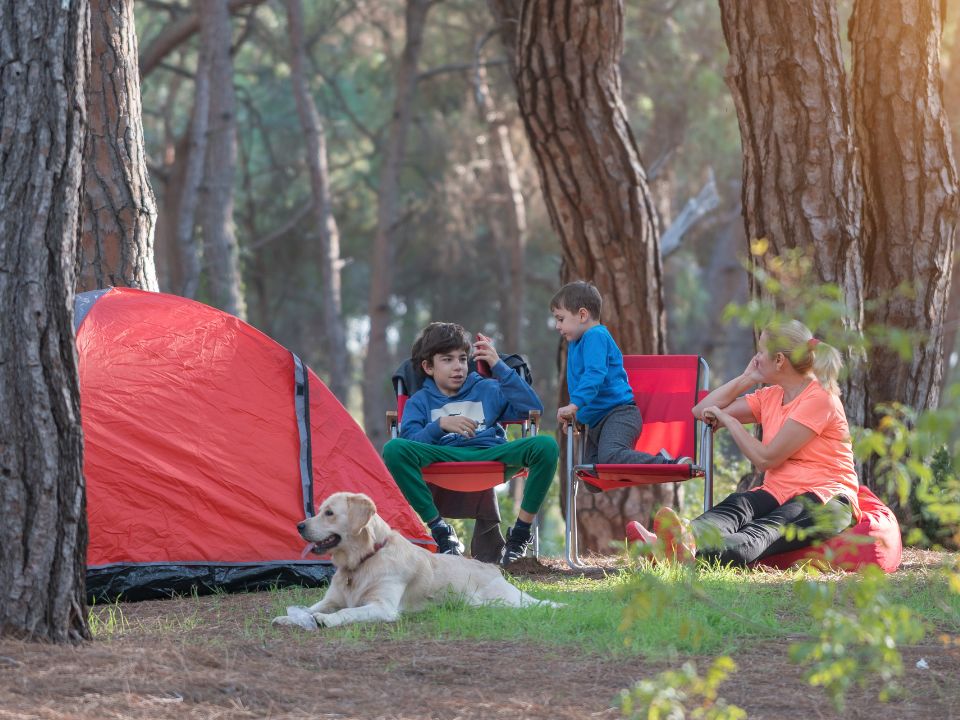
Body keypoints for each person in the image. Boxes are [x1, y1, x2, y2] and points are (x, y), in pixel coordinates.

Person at [630, 319, 859, 567]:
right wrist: (747, 378)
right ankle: (673, 541)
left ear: (780, 360)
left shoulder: (819, 398)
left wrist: (730, 421)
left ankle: (684, 556)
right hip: (777, 491)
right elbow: (701, 410)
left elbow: (766, 459)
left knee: (763, 531)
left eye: (761, 352)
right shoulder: (771, 395)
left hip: (824, 496)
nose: (757, 358)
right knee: (735, 506)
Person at [382, 322, 559, 567]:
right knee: (392, 449)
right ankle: (441, 531)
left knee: (546, 446)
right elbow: (410, 443)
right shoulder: (419, 401)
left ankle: (519, 535)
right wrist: (439, 425)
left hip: (491, 456)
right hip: (443, 457)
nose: (458, 367)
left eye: (463, 359)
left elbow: (532, 409)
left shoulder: (488, 387)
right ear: (428, 367)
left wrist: (499, 366)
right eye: (447, 360)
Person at [550, 280, 691, 466]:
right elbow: (583, 385)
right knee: (589, 473)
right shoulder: (576, 342)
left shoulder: (595, 336)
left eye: (561, 319)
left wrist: (574, 405)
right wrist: (577, 418)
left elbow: (594, 375)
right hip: (595, 423)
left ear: (582, 315)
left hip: (618, 415)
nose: (557, 326)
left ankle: (668, 463)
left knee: (610, 457)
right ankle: (659, 459)